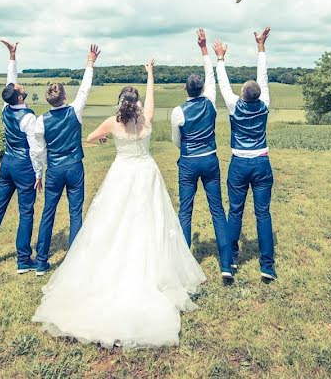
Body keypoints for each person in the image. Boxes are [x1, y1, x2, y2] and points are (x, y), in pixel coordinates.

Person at [32, 59, 206, 348]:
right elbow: (151, 99)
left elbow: (89, 136)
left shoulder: (112, 123)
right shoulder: (146, 119)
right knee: (150, 221)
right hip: (146, 172)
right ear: (136, 103)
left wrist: (104, 140)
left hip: (122, 173)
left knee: (114, 221)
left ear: (120, 103)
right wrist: (150, 73)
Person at [212, 27, 277, 283]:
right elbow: (264, 75)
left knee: (235, 212)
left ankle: (228, 263)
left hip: (239, 163)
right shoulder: (265, 103)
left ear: (242, 94)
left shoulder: (233, 105)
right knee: (263, 213)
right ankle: (267, 266)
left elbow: (223, 83)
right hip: (262, 162)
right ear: (259, 93)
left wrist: (220, 58)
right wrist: (261, 47)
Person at [170, 29, 234, 284]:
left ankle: (185, 265)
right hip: (210, 160)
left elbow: (176, 140)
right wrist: (205, 50)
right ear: (202, 89)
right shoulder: (210, 100)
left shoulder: (178, 111)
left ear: (186, 89)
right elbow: (211, 77)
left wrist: (186, 150)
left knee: (185, 211)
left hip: (188, 161)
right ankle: (227, 265)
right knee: (217, 210)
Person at [33, 44, 101, 276]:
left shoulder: (41, 121)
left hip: (53, 169)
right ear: (64, 96)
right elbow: (85, 88)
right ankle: (74, 259)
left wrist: (39, 173)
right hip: (73, 166)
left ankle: (41, 261)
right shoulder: (75, 111)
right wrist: (90, 63)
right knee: (75, 212)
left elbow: (40, 150)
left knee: (48, 213)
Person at [0, 39, 45, 274]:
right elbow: (35, 149)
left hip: (6, 163)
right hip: (24, 166)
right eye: (19, 88)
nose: (20, 86)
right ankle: (23, 260)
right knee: (26, 211)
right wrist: (38, 173)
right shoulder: (28, 118)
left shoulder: (6, 108)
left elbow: (10, 82)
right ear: (19, 97)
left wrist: (13, 56)